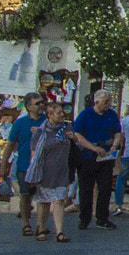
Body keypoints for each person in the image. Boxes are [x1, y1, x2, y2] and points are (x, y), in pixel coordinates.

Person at [72, 88, 123, 231]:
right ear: (96, 102)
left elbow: (117, 133)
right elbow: (77, 136)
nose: (108, 104)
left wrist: (114, 146)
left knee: (105, 188)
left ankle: (102, 218)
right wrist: (92, 148)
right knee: (86, 189)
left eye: (109, 102)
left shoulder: (112, 115)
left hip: (105, 158)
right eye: (105, 102)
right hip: (88, 157)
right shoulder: (85, 115)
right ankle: (84, 218)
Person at [26, 101, 76, 243]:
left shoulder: (66, 127)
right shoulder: (40, 132)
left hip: (62, 171)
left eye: (62, 112)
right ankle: (41, 228)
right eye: (58, 112)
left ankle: (59, 232)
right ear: (50, 115)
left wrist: (73, 137)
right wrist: (33, 173)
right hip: (44, 171)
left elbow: (75, 143)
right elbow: (34, 154)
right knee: (43, 202)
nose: (62, 115)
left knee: (59, 200)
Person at [0, 94, 44, 236]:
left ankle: (40, 225)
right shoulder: (20, 123)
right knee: (25, 195)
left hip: (43, 165)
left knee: (42, 196)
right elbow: (10, 145)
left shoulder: (46, 122)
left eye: (42, 102)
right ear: (29, 107)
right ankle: (26, 224)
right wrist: (3, 166)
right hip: (24, 164)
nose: (41, 105)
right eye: (37, 103)